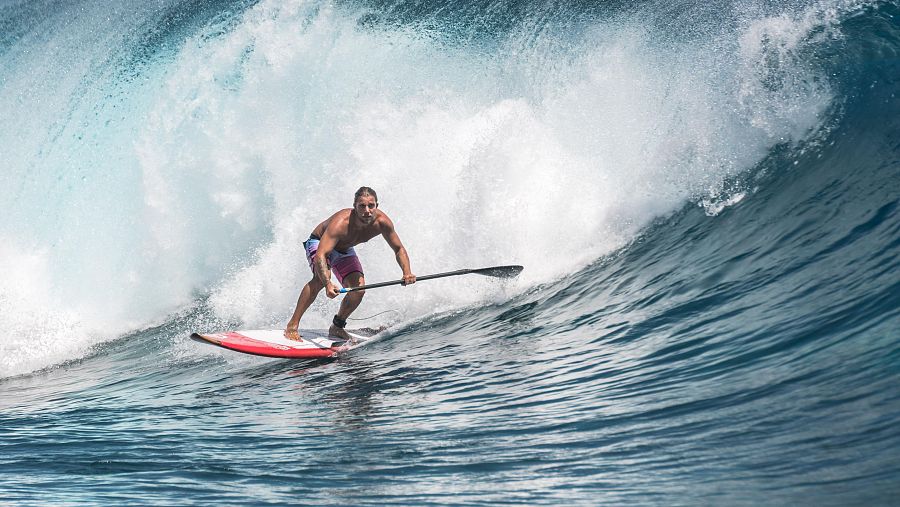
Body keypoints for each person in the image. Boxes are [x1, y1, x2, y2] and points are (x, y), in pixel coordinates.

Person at [284, 187, 415, 342]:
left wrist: (407, 272)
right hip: (320, 244)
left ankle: (337, 327)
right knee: (319, 279)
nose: (367, 211)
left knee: (358, 289)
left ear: (376, 206)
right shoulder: (341, 223)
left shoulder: (383, 223)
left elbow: (399, 249)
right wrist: (327, 283)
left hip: (344, 249)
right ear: (355, 206)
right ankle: (292, 326)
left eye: (371, 206)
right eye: (362, 206)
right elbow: (321, 254)